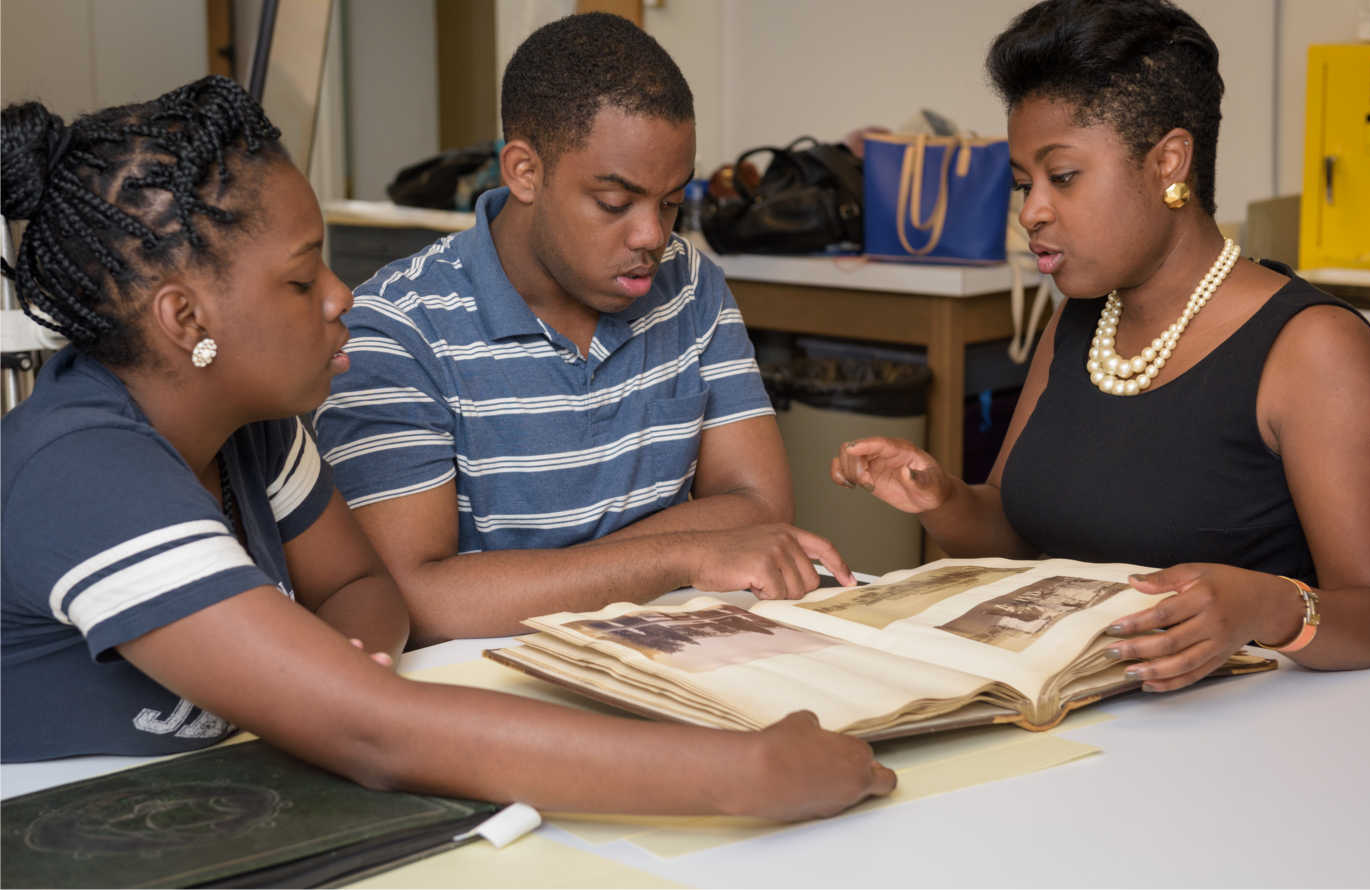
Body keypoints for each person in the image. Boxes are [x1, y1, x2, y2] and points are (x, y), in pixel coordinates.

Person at [0, 76, 896, 819]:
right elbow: (381, 733)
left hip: (191, 810)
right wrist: (746, 776)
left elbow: (362, 588)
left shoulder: (249, 426)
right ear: (184, 318)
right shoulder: (83, 470)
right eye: (302, 276)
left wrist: (334, 682)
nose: (340, 296)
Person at [832, 0, 1370, 691]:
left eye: (1062, 177)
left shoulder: (1311, 348)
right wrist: (941, 498)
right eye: (1024, 183)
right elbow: (1018, 529)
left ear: (1168, 164)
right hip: (1078, 713)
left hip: (1243, 738)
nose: (1032, 212)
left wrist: (1266, 604)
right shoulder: (1079, 322)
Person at [313, 12, 851, 644]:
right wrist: (681, 554)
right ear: (524, 172)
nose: (653, 236)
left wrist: (527, 580)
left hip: (679, 656)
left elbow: (760, 509)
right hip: (492, 697)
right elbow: (416, 599)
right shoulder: (395, 328)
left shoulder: (691, 285)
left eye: (672, 201)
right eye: (615, 204)